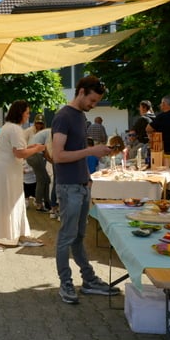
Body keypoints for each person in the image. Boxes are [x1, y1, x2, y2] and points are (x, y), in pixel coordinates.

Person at [51, 76, 119, 304]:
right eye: (92, 100)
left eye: (96, 101)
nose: (94, 105)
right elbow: (58, 156)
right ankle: (66, 283)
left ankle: (88, 280)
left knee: (79, 236)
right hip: (69, 187)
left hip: (80, 185)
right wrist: (91, 152)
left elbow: (76, 151)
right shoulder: (63, 117)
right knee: (67, 237)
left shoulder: (80, 116)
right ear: (81, 92)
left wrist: (87, 178)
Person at [0, 100, 47, 253]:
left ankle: (23, 235)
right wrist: (37, 149)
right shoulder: (15, 129)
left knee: (17, 202)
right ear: (20, 113)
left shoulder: (9, 127)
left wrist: (33, 147)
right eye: (27, 113)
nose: (28, 116)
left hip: (7, 170)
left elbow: (17, 150)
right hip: (5, 171)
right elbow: (19, 153)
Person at [26, 126, 53, 212]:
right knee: (42, 180)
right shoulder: (50, 133)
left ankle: (46, 202)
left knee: (46, 180)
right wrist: (53, 162)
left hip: (31, 156)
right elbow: (46, 151)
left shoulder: (46, 132)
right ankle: (39, 204)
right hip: (35, 155)